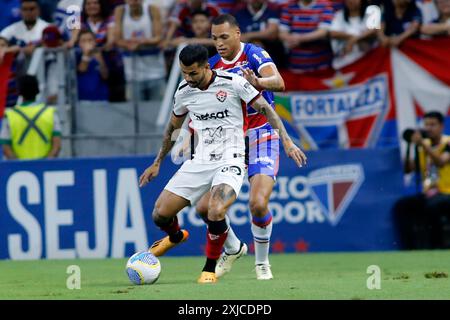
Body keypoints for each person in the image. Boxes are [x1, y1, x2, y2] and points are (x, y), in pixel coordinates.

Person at [138, 44, 305, 284]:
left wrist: (287, 143)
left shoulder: (233, 82)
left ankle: (209, 269)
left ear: (206, 67)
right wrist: (157, 163)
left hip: (232, 157)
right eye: (184, 72)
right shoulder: (184, 91)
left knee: (215, 210)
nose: (188, 78)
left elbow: (266, 109)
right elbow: (172, 128)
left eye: (193, 73)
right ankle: (175, 236)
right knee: (160, 215)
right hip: (200, 160)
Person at [195, 14, 305, 280]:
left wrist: (257, 82)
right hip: (229, 139)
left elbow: (279, 82)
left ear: (237, 34)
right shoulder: (212, 65)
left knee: (257, 203)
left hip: (262, 134)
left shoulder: (254, 55)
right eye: (214, 38)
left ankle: (262, 263)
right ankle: (233, 247)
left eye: (223, 37)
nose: (219, 43)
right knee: (203, 209)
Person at [394, 111, 450, 249]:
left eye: (433, 125)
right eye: (426, 125)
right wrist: (409, 146)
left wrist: (423, 145)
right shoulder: (422, 146)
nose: (429, 128)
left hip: (447, 192)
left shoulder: (447, 142)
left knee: (432, 206)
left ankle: (437, 246)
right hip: (429, 193)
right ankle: (410, 247)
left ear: (441, 126)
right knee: (402, 206)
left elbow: (441, 162)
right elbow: (408, 169)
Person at [0, 75, 62, 160]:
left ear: (19, 92)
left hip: (19, 170)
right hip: (46, 168)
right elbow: (57, 146)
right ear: (38, 91)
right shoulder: (50, 113)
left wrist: (20, 165)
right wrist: (45, 163)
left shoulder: (10, 115)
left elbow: (6, 147)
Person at [114, 0, 166, 101]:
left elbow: (159, 37)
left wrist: (141, 42)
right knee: (134, 114)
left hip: (156, 72)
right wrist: (129, 45)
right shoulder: (120, 11)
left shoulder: (152, 9)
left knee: (160, 111)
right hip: (132, 74)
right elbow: (117, 40)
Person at [279, 0, 335, 73]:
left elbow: (323, 32)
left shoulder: (325, 5)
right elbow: (281, 33)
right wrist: (291, 39)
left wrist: (299, 39)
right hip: (294, 65)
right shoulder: (289, 6)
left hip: (320, 66)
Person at [329, 0, 378, 69]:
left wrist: (354, 39)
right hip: (344, 65)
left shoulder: (371, 13)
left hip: (368, 65)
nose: (351, 1)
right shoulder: (339, 15)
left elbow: (374, 30)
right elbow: (333, 33)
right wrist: (354, 38)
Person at [76, 29, 109, 101]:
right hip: (82, 100)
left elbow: (105, 76)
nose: (87, 43)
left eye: (90, 40)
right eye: (83, 41)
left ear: (95, 42)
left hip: (101, 99)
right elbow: (82, 70)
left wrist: (100, 60)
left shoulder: (102, 54)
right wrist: (86, 54)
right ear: (79, 43)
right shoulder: (76, 56)